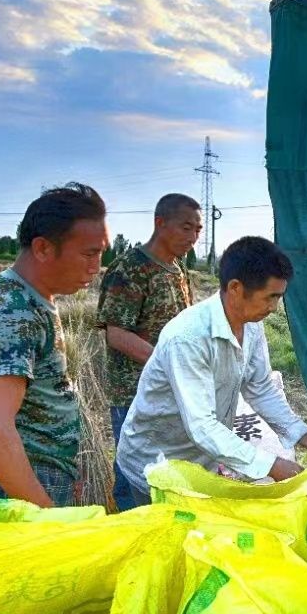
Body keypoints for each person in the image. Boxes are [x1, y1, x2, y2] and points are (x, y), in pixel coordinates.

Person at [114, 236, 307, 508]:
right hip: (155, 462)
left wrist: (301, 433)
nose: (274, 308)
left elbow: (260, 388)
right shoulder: (188, 337)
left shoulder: (251, 325)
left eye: (279, 298)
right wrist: (270, 465)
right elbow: (202, 425)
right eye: (269, 297)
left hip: (200, 463)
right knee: (159, 540)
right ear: (235, 288)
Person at [0, 183, 108, 507]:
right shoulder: (13, 313)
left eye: (101, 253)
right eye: (89, 254)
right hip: (2, 489)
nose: (96, 266)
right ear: (43, 248)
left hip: (22, 481)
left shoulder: (31, 302)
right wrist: (46, 514)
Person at [97, 194, 202, 511]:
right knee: (134, 472)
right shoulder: (130, 269)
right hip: (135, 394)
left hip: (172, 392)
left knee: (168, 471)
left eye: (197, 229)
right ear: (160, 223)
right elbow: (116, 333)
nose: (193, 236)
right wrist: (166, 364)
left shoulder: (177, 268)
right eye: (186, 227)